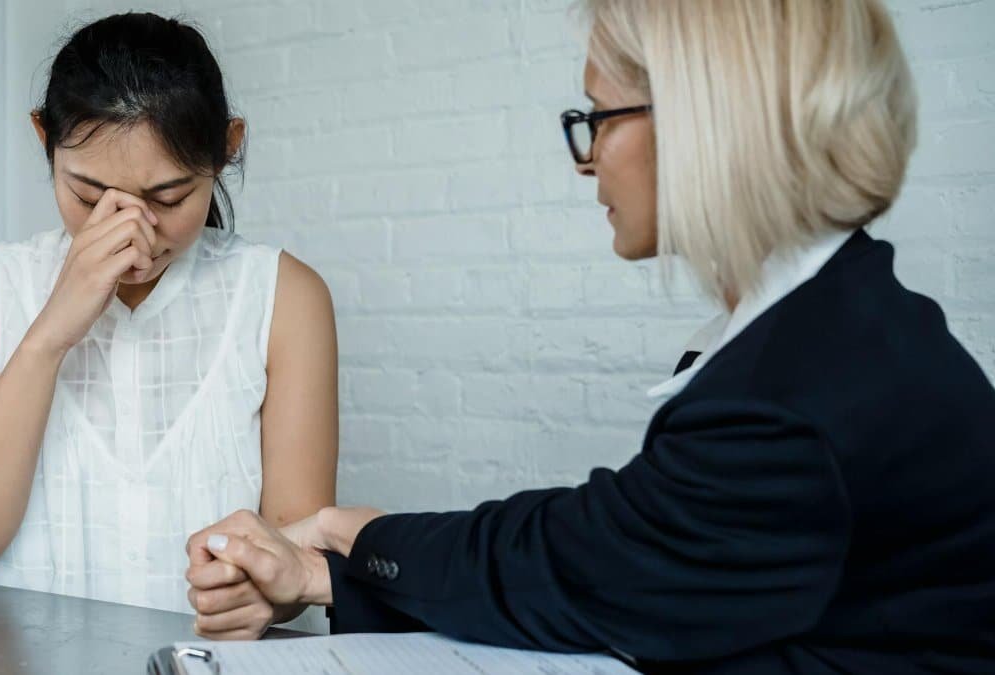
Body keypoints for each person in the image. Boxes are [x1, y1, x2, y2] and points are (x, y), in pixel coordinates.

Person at [184, 0, 995, 671]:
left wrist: (338, 535)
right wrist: (330, 569)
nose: (587, 159)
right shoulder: (835, 331)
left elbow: (583, 563)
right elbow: (611, 555)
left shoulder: (799, 393)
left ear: (705, 120)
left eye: (599, 117)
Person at [0, 12, 338, 636]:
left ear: (228, 147)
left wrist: (266, 592)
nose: (133, 236)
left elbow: (296, 563)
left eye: (169, 199)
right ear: (43, 139)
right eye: (90, 199)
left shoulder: (284, 298)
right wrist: (51, 332)